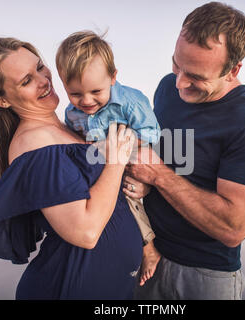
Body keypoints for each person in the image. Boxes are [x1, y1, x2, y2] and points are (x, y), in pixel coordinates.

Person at [0, 37, 143, 299]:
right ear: (1, 99)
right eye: (26, 81)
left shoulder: (68, 129)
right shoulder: (34, 144)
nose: (44, 80)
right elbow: (86, 232)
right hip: (68, 288)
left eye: (40, 67)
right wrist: (116, 163)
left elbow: (107, 195)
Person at [127, 2, 245, 299]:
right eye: (176, 65)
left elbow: (232, 229)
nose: (180, 83)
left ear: (232, 70)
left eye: (196, 76)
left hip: (206, 275)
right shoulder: (167, 87)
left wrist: (157, 176)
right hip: (147, 255)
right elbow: (156, 152)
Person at [55, 30, 162, 286]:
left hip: (132, 155)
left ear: (113, 77)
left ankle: (149, 247)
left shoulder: (130, 102)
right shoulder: (73, 112)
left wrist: (117, 146)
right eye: (76, 94)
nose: (86, 101)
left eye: (95, 91)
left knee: (128, 195)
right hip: (102, 160)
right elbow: (77, 137)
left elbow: (152, 132)